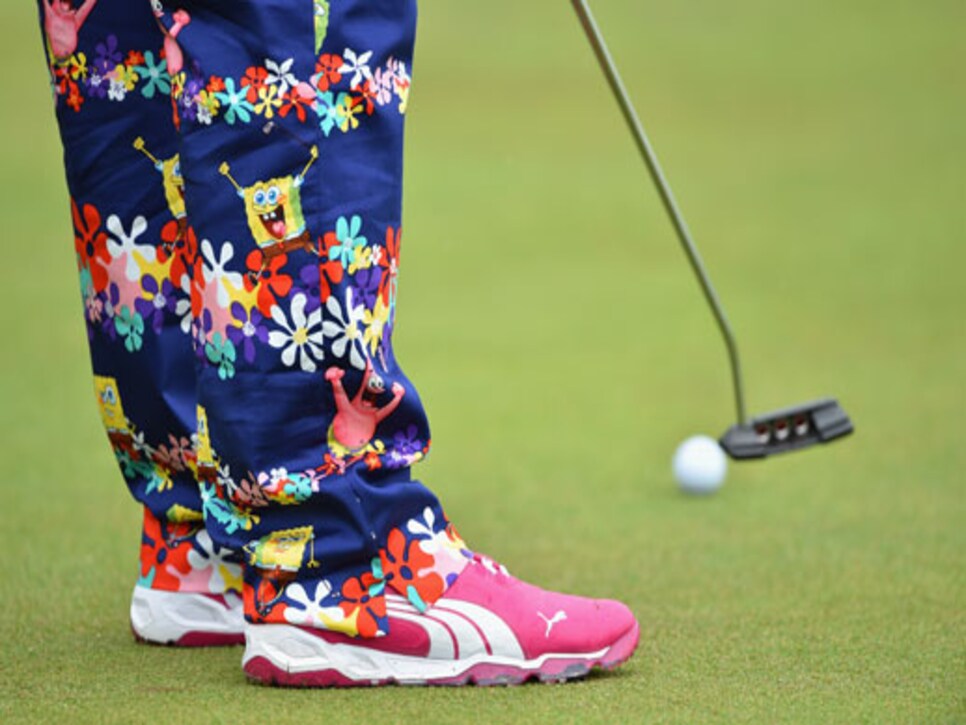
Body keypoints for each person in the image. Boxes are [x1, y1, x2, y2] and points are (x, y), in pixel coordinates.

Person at [38, 0, 639, 685]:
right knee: (295, 42)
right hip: (331, 541)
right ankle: (334, 558)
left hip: (205, 512)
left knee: (123, 54)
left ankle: (203, 527)